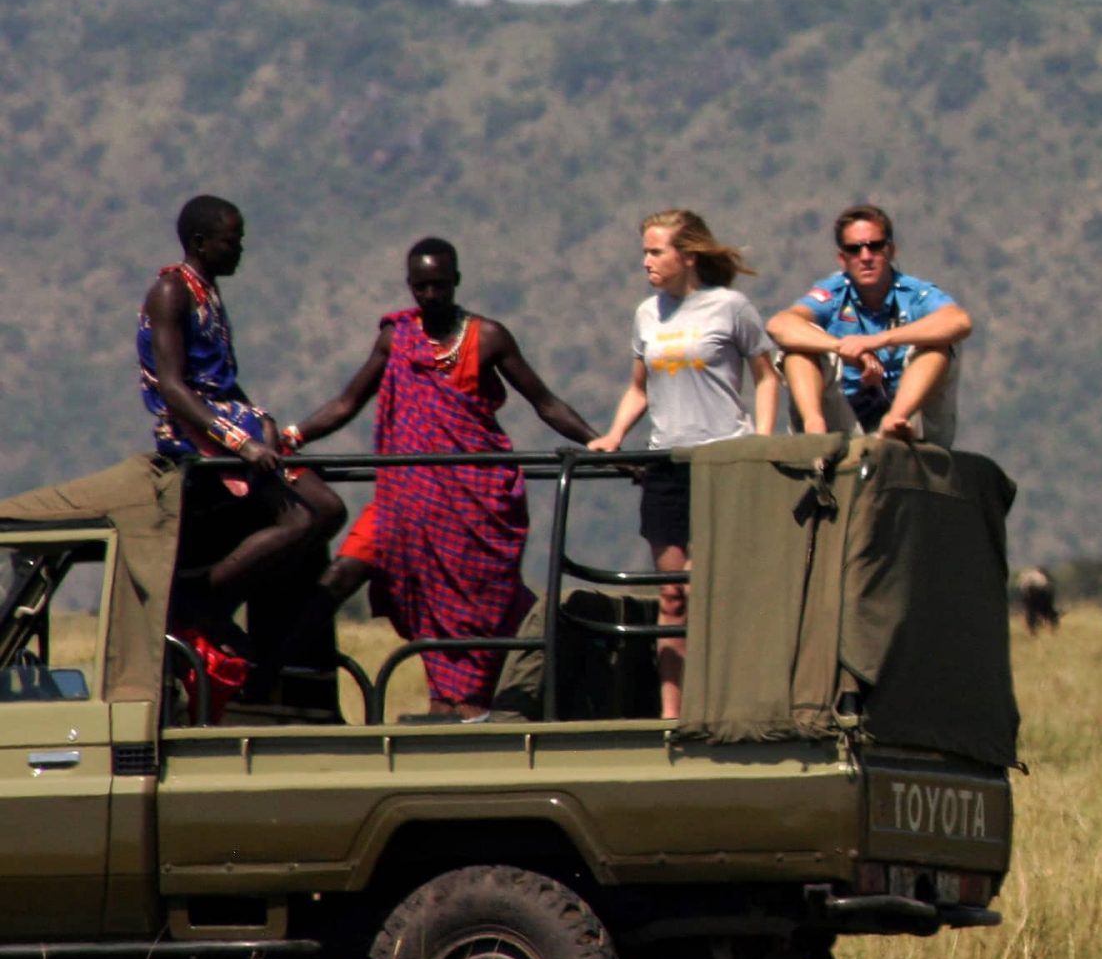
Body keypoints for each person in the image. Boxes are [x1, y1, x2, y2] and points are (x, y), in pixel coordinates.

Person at [287, 238, 602, 719]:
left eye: (439, 285)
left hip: (472, 504)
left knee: (478, 609)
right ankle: (293, 694)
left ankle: (466, 707)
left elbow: (546, 402)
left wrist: (600, 444)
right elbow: (347, 402)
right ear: (409, 286)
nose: (430, 295)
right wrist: (293, 436)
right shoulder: (397, 339)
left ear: (456, 281)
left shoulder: (488, 337)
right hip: (404, 503)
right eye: (421, 287)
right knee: (338, 578)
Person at [138, 195, 346, 718]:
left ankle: (231, 600)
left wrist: (262, 423)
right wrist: (242, 441)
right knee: (303, 513)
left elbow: (223, 381)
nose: (241, 250)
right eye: (233, 240)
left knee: (329, 509)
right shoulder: (171, 291)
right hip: (194, 431)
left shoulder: (208, 294)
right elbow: (173, 386)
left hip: (230, 420)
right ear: (201, 243)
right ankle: (206, 597)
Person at [587, 210, 778, 718]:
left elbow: (767, 376)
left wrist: (760, 443)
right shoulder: (648, 314)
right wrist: (613, 435)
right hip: (666, 466)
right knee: (672, 596)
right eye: (645, 252)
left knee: (709, 590)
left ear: (687, 255)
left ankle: (726, 707)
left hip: (722, 464)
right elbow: (638, 388)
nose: (646, 262)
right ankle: (671, 718)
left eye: (656, 252)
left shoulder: (731, 307)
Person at [766, 204, 973, 445]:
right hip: (845, 420)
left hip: (910, 421)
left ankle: (893, 423)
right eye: (854, 250)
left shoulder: (914, 293)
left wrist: (877, 341)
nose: (865, 257)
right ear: (843, 259)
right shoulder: (833, 293)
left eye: (874, 246)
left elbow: (959, 321)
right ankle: (815, 427)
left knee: (939, 343)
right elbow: (780, 325)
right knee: (799, 342)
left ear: (891, 250)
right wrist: (842, 348)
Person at [1018, 565, 1059, 635]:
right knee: (1048, 611)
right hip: (1041, 593)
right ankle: (1050, 630)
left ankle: (1033, 630)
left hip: (1030, 593)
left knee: (1030, 612)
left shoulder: (1027, 580)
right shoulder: (1044, 581)